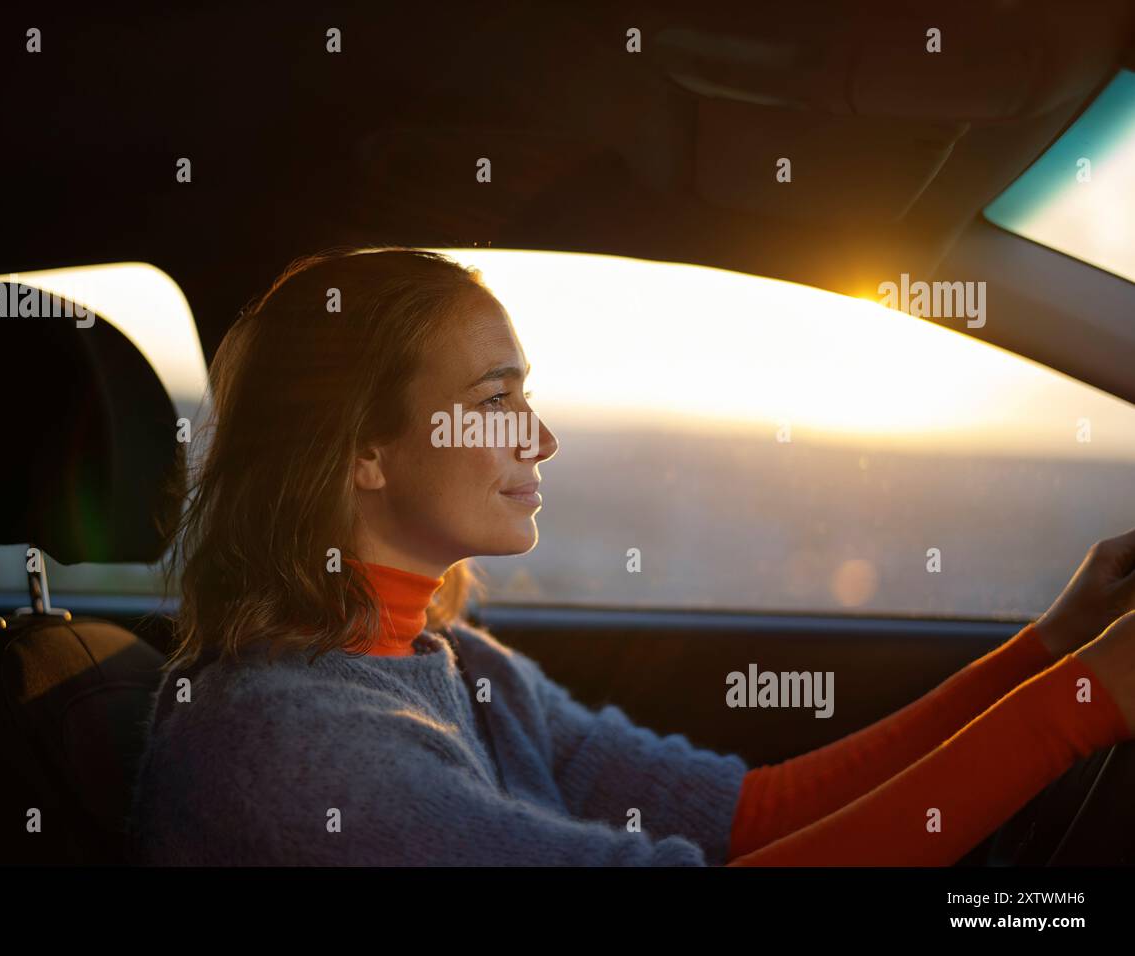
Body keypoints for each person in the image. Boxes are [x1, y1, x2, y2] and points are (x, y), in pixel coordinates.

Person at [126, 245, 1135, 866]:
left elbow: (749, 815)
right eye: (496, 400)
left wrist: (1051, 648)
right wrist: (1082, 702)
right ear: (363, 451)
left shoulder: (453, 663)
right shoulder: (294, 756)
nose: (540, 438)